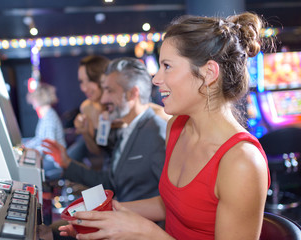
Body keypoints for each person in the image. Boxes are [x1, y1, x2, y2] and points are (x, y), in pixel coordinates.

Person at [56, 12, 272, 240]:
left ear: (208, 73)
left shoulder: (241, 161)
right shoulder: (177, 128)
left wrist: (146, 233)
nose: (156, 79)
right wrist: (106, 217)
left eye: (167, 66)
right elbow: (172, 204)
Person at [42, 57, 167, 202]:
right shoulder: (128, 128)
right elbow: (111, 181)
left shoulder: (156, 131)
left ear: (132, 93)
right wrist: (66, 163)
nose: (103, 99)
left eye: (109, 91)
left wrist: (117, 212)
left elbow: (168, 200)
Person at [23, 82, 67, 180]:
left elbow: (49, 146)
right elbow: (40, 138)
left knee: (27, 172)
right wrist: (27, 146)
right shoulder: (47, 115)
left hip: (54, 162)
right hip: (51, 159)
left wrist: (31, 150)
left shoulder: (49, 118)